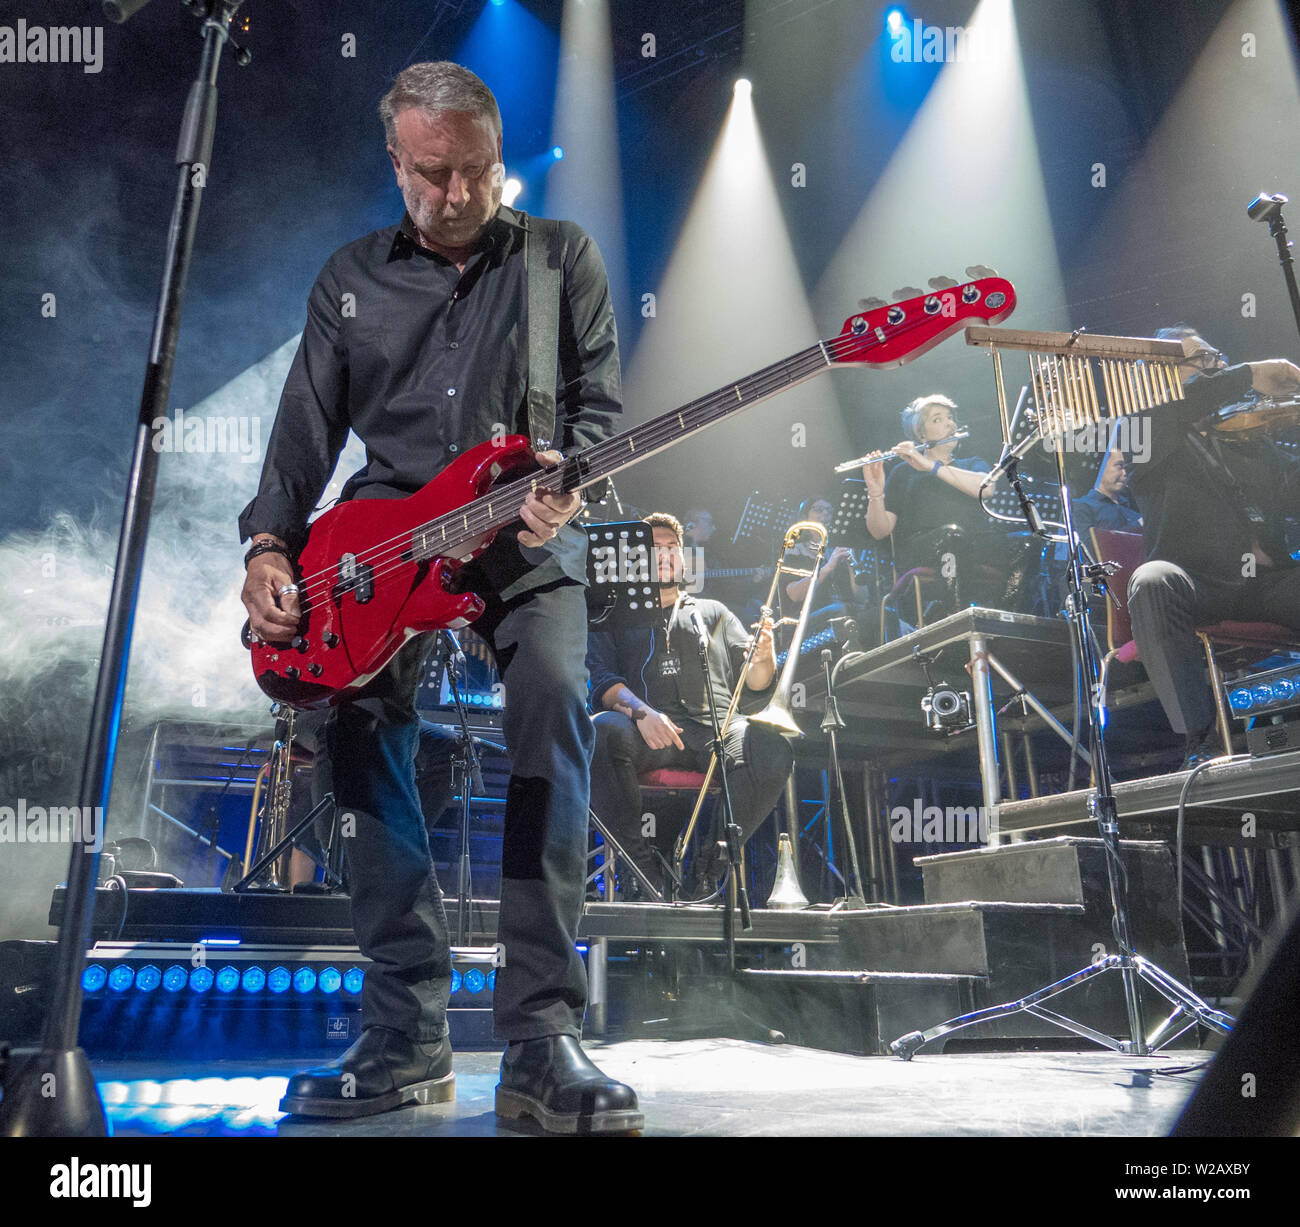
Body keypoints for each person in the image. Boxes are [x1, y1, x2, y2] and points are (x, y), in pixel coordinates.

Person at [238, 62, 642, 1133]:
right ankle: (405, 1029)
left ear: (498, 157)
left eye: (473, 173)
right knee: (360, 726)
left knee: (553, 699)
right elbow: (301, 438)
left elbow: (599, 410)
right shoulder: (349, 278)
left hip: (522, 532)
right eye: (430, 174)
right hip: (381, 539)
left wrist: (570, 484)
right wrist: (270, 550)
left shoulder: (560, 258)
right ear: (396, 160)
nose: (455, 196)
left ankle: (541, 1036)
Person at [586, 513, 794, 897]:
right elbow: (599, 681)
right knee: (600, 731)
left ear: (684, 558)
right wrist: (640, 711)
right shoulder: (612, 615)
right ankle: (641, 871)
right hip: (647, 731)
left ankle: (706, 873)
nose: (664, 554)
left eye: (671, 548)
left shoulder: (713, 612)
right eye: (654, 548)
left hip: (714, 731)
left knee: (772, 745)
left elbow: (755, 683)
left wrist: (764, 656)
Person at [1126, 327, 1300, 767]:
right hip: (1198, 582)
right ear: (1162, 376)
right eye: (1202, 361)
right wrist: (1253, 372)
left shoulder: (1246, 436)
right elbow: (1183, 404)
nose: (1218, 366)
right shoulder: (1144, 428)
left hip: (1266, 583)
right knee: (1152, 580)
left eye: (1218, 357)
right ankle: (1199, 744)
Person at [861, 394, 1000, 614]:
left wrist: (930, 466)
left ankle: (1013, 628)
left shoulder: (972, 464)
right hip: (927, 552)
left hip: (974, 550)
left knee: (1027, 544)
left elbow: (987, 488)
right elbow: (880, 531)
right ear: (921, 433)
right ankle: (954, 619)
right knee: (951, 536)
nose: (950, 424)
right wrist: (875, 491)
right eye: (938, 419)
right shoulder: (902, 473)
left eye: (950, 417)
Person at [1071, 441, 1142, 541]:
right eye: (1119, 466)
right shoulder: (1083, 506)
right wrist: (1137, 527)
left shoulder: (1132, 503)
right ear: (1101, 468)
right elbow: (1091, 547)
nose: (1125, 473)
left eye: (1125, 468)